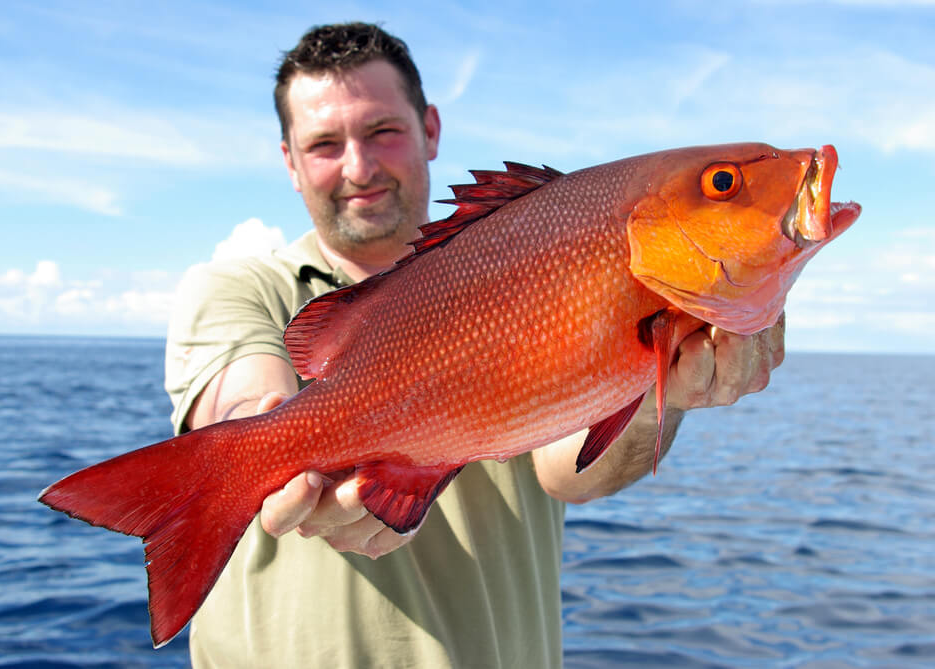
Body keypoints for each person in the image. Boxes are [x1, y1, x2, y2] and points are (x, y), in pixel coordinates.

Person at [164, 22, 784, 669]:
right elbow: (239, 397)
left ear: (430, 129)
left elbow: (568, 467)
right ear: (290, 160)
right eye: (324, 143)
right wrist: (259, 449)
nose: (359, 166)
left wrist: (661, 392)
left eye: (383, 131)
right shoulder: (236, 286)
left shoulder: (521, 265)